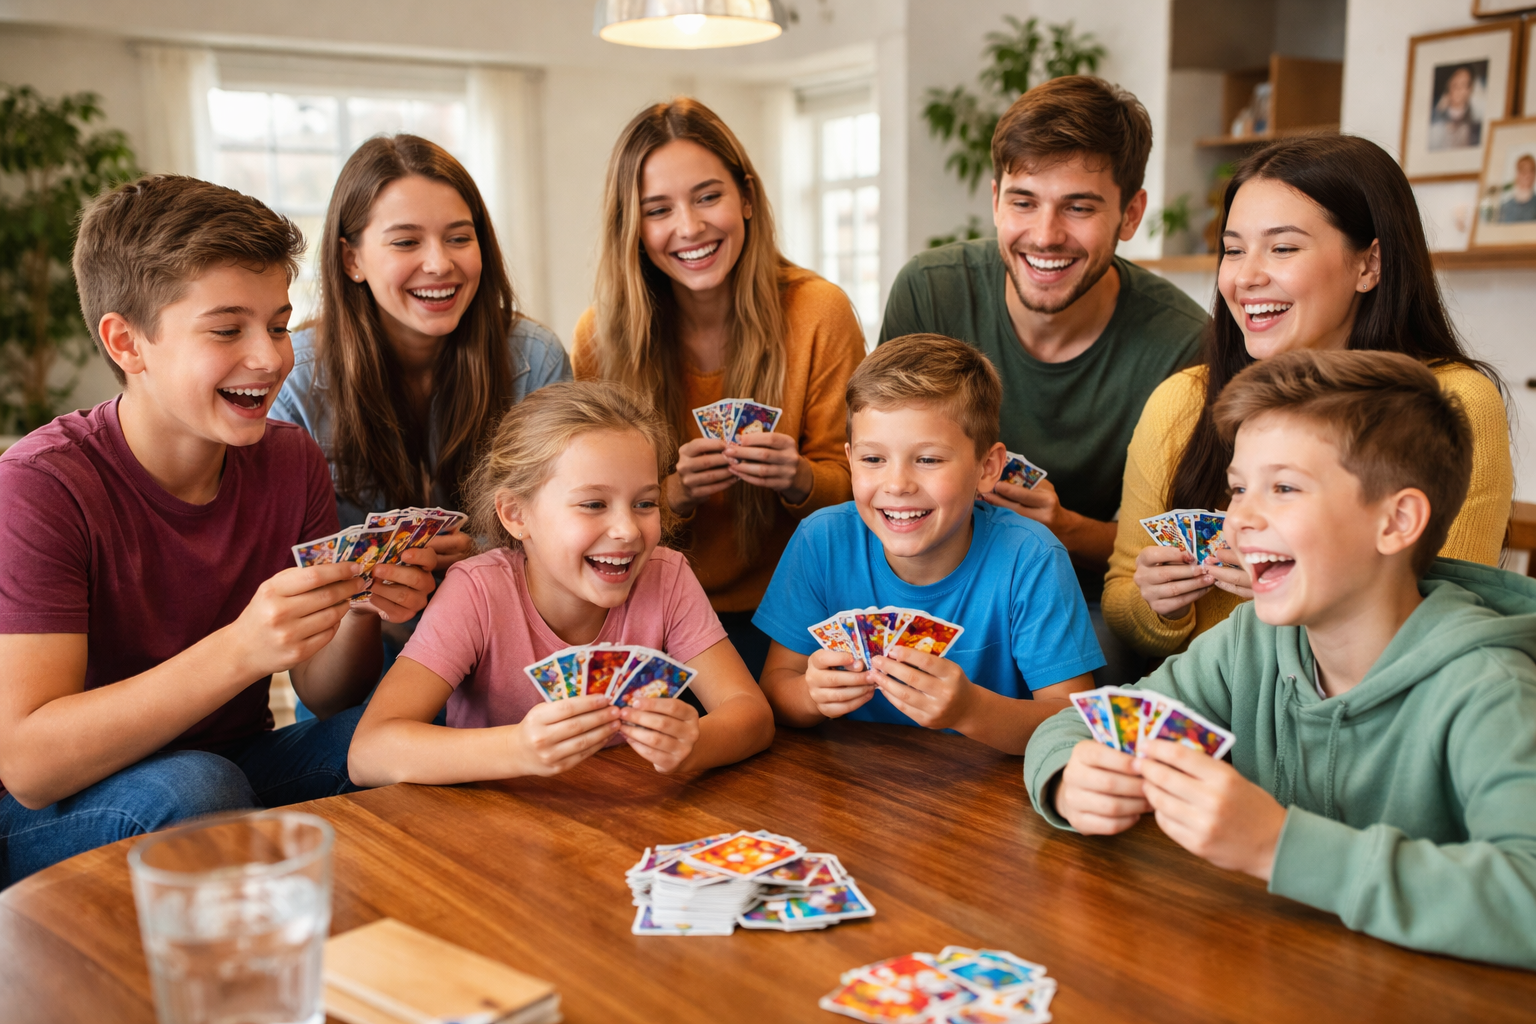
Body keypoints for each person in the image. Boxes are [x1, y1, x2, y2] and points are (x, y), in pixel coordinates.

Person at [1025, 349, 1536, 969]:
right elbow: (1080, 722)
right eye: (1239, 489)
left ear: (1397, 520)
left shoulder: (1489, 687)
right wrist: (1070, 776)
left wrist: (1276, 847)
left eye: (1285, 488)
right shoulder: (1249, 642)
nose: (1239, 520)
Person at [0, 176, 438, 885]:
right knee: (196, 789)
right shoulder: (40, 484)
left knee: (416, 734)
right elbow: (29, 764)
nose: (269, 357)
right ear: (127, 343)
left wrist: (360, 607)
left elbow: (325, 694)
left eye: (277, 323)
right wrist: (240, 649)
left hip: (234, 773)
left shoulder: (289, 457)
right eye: (227, 329)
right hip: (66, 806)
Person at [1105, 134, 1512, 659]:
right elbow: (1121, 599)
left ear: (1369, 265)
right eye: (1232, 250)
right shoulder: (1183, 401)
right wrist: (1158, 605)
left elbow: (1444, 619)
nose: (1246, 277)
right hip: (1210, 709)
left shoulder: (1451, 403)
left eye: (1283, 247)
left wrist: (1306, 600)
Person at [878, 76, 1206, 687]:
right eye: (1024, 201)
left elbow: (1170, 560)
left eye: (1079, 207)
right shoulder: (931, 289)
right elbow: (877, 464)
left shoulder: (1184, 344)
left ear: (1130, 214)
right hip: (928, 572)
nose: (1047, 235)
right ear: (996, 199)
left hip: (1079, 599)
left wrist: (1065, 528)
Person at [347, 381, 775, 785]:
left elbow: (752, 715)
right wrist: (519, 748)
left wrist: (696, 743)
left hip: (624, 821)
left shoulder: (667, 576)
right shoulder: (477, 591)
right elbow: (368, 753)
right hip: (487, 833)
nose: (627, 529)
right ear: (516, 515)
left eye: (645, 503)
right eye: (593, 504)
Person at [571, 99, 865, 680]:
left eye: (708, 196)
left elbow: (869, 487)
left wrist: (800, 476)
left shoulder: (818, 311)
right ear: (631, 227)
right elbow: (586, 510)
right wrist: (674, 493)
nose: (690, 227)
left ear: (747, 198)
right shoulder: (600, 338)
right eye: (658, 209)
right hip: (652, 616)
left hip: (801, 615)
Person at [272, 135, 570, 683]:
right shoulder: (295, 380)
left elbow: (565, 537)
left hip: (505, 638)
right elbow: (315, 654)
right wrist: (366, 598)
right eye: (406, 242)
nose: (440, 263)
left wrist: (485, 557)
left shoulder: (534, 358)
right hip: (357, 649)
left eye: (460, 237)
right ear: (351, 258)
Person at [754, 335, 1103, 754]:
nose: (897, 484)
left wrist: (971, 711)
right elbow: (775, 686)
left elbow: (1072, 719)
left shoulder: (1031, 558)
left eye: (928, 459)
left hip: (988, 800)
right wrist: (811, 696)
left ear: (987, 468)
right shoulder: (820, 541)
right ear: (849, 461)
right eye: (872, 459)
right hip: (848, 793)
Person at [1429, 65, 1481, 152]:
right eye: (1455, 84)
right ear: (1448, 86)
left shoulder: (1476, 124)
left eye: (1463, 84)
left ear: (1469, 89)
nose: (1458, 89)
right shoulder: (1435, 118)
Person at [1498, 153, 1536, 223]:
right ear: (1517, 174)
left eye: (1531, 170)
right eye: (1523, 170)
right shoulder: (1504, 207)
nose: (1528, 175)